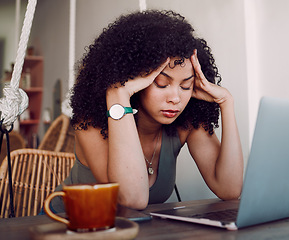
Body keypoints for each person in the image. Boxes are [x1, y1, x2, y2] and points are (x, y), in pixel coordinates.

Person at [49, 9, 243, 213]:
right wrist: (117, 92)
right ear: (134, 80)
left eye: (186, 86)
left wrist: (226, 102)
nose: (175, 98)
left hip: (135, 230)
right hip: (65, 223)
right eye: (161, 84)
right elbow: (132, 199)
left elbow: (229, 189)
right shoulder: (90, 123)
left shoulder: (186, 123)